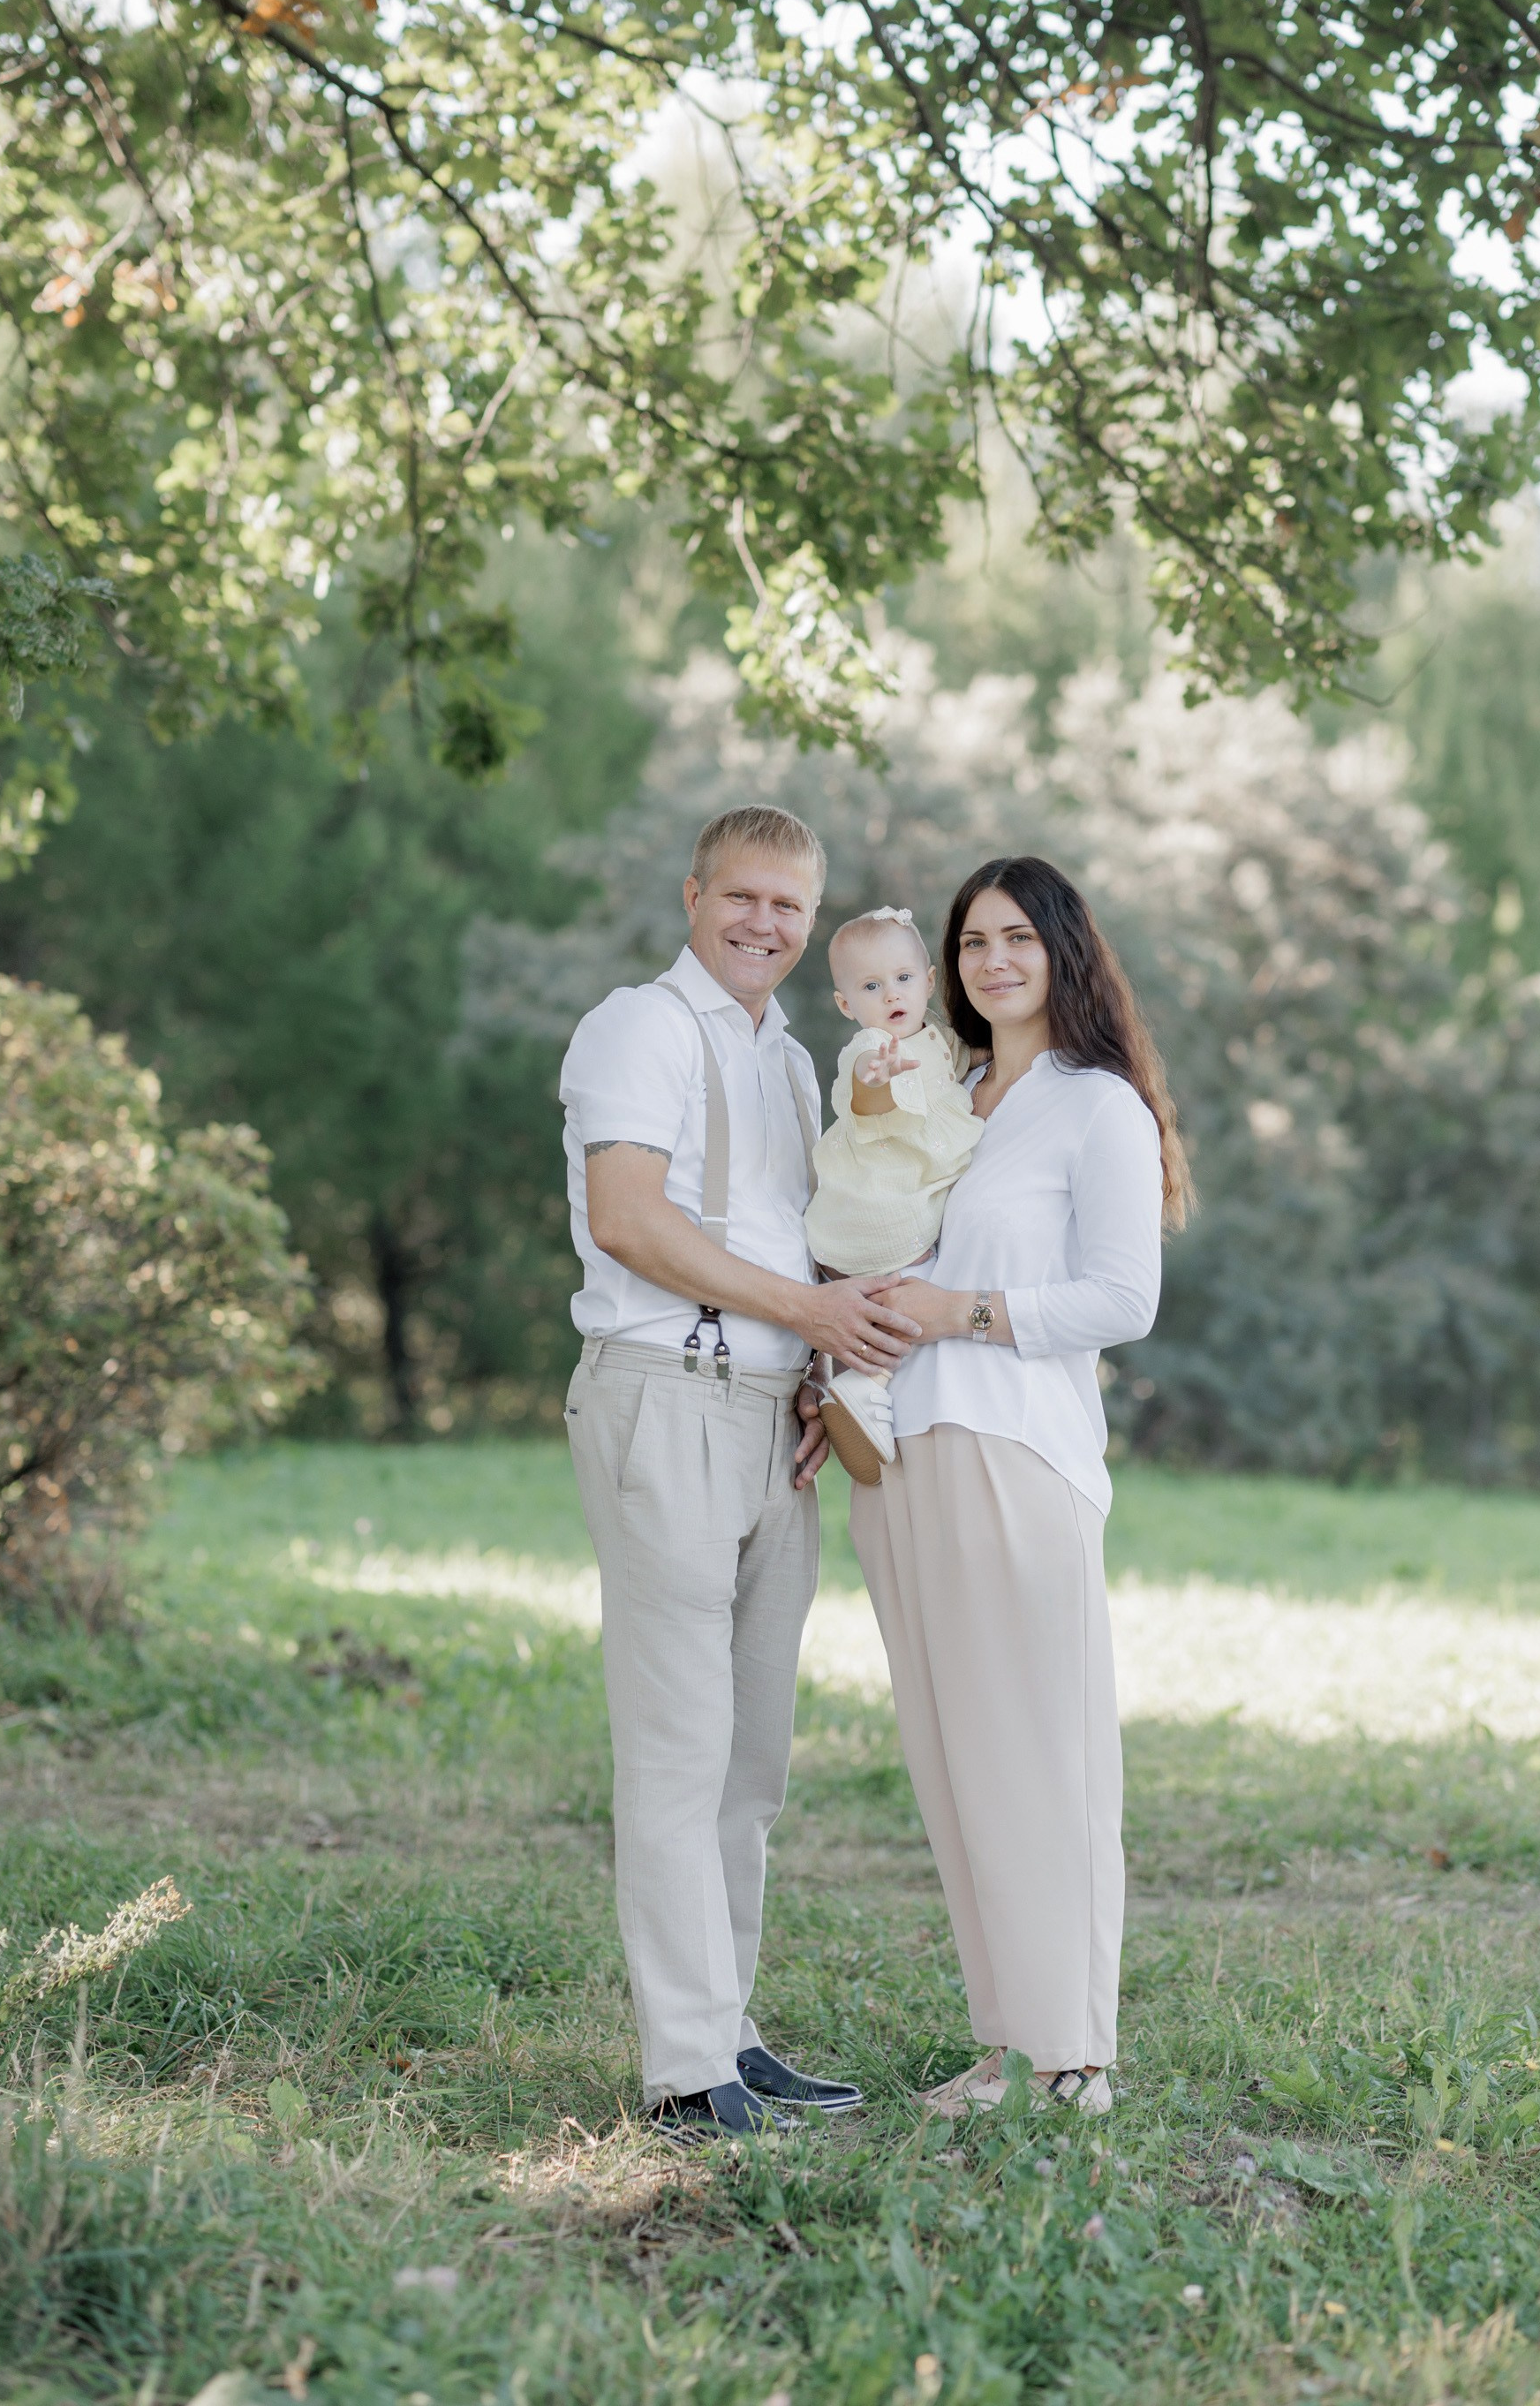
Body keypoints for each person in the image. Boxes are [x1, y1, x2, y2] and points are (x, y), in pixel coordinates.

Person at [558, 804, 922, 2137]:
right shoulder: (637, 1029)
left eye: (790, 907)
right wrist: (808, 1314)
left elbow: (797, 1232)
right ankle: (681, 2075)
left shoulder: (784, 1059)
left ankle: (730, 2028)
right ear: (696, 894)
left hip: (773, 1420)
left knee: (750, 1762)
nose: (764, 923)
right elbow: (629, 1218)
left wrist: (822, 1367)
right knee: (677, 1746)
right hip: (665, 1399)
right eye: (743, 897)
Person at [847, 854, 1193, 2115]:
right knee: (953, 1761)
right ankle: (1008, 2045)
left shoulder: (1093, 1106)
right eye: (972, 942)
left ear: (1063, 953)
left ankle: (1076, 2057)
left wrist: (960, 1309)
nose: (992, 961)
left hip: (1015, 1455)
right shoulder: (947, 1096)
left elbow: (1122, 1299)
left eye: (1017, 939)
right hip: (899, 1454)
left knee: (1040, 1756)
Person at [803, 905, 984, 1481]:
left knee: (892, 1302)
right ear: (847, 1006)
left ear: (929, 981)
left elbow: (972, 1057)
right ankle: (866, 1385)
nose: (891, 995)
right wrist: (874, 1084)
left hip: (846, 1234)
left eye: (903, 979)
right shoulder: (868, 1051)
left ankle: (836, 1374)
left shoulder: (939, 1042)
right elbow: (865, 1101)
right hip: (879, 1224)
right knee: (922, 1295)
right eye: (871, 986)